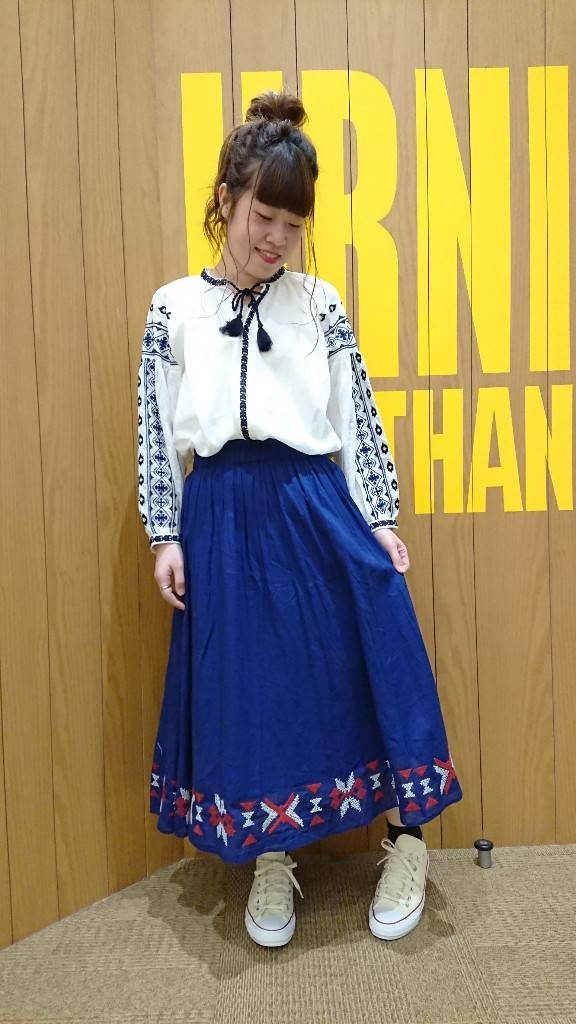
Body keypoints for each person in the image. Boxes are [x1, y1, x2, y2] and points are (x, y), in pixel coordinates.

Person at [137, 89, 462, 949]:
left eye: (293, 223)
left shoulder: (318, 303)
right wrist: (165, 534)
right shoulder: (173, 309)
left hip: (315, 503)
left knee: (373, 656)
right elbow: (157, 432)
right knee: (254, 689)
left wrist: (379, 517)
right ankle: (270, 856)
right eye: (263, 215)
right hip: (222, 517)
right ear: (226, 200)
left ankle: (407, 842)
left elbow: (355, 414)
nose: (277, 236)